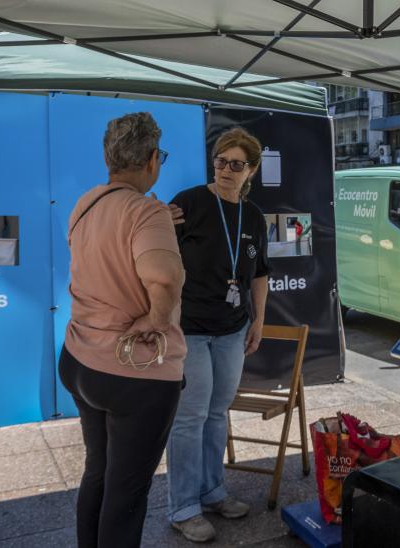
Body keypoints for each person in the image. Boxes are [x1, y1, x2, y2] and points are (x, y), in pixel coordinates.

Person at [59, 112, 186, 548]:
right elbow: (164, 278)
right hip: (134, 371)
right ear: (152, 159)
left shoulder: (86, 202)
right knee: (127, 491)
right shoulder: (147, 212)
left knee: (98, 471)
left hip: (80, 360)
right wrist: (157, 318)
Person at [167, 127, 271, 542]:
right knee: (189, 417)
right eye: (220, 161)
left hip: (233, 329)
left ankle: (212, 492)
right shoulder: (188, 204)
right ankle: (183, 506)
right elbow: (160, 261)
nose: (226, 170)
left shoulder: (256, 216)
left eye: (236, 164)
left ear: (252, 170)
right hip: (190, 329)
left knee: (215, 413)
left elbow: (260, 273)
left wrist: (259, 321)